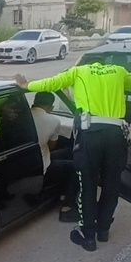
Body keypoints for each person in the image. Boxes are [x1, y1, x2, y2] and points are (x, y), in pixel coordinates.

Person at [16, 62, 131, 252]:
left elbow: (51, 83)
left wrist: (27, 85)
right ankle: (103, 230)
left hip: (91, 134)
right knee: (111, 185)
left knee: (88, 185)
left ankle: (88, 237)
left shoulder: (78, 71)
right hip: (116, 135)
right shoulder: (119, 70)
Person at [30, 92, 78, 221]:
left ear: (34, 101)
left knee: (67, 152)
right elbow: (51, 146)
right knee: (76, 166)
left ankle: (61, 192)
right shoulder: (54, 121)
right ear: (50, 106)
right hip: (42, 166)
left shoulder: (23, 116)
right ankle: (68, 205)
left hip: (28, 159)